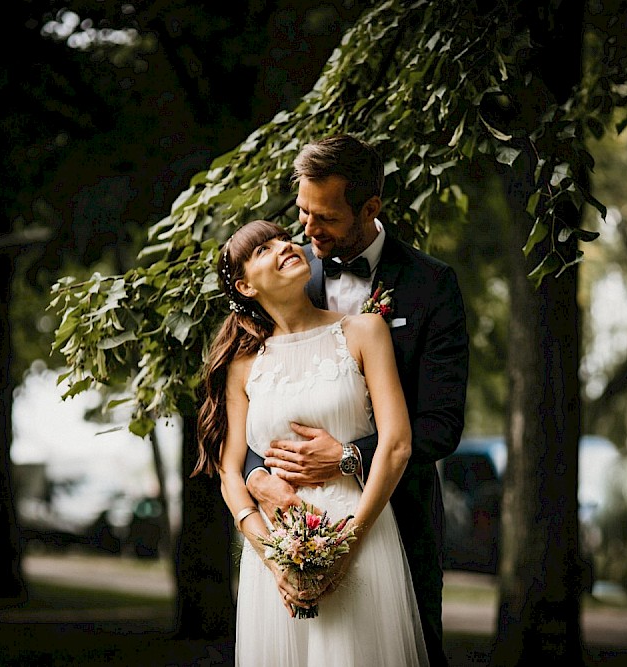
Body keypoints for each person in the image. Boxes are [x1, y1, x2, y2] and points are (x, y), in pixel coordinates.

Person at [243, 134, 469, 667]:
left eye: (324, 218)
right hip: (292, 527)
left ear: (370, 208)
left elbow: (440, 425)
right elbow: (259, 401)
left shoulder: (431, 286)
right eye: (302, 211)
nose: (306, 230)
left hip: (401, 523)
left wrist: (346, 457)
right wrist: (259, 476)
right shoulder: (288, 279)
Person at [194, 219, 429, 666]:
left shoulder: (364, 332)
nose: (285, 245)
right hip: (277, 555)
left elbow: (396, 444)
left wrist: (346, 548)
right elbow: (230, 470)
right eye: (264, 249)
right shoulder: (244, 364)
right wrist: (273, 559)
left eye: (283, 237)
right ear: (245, 286)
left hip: (360, 536)